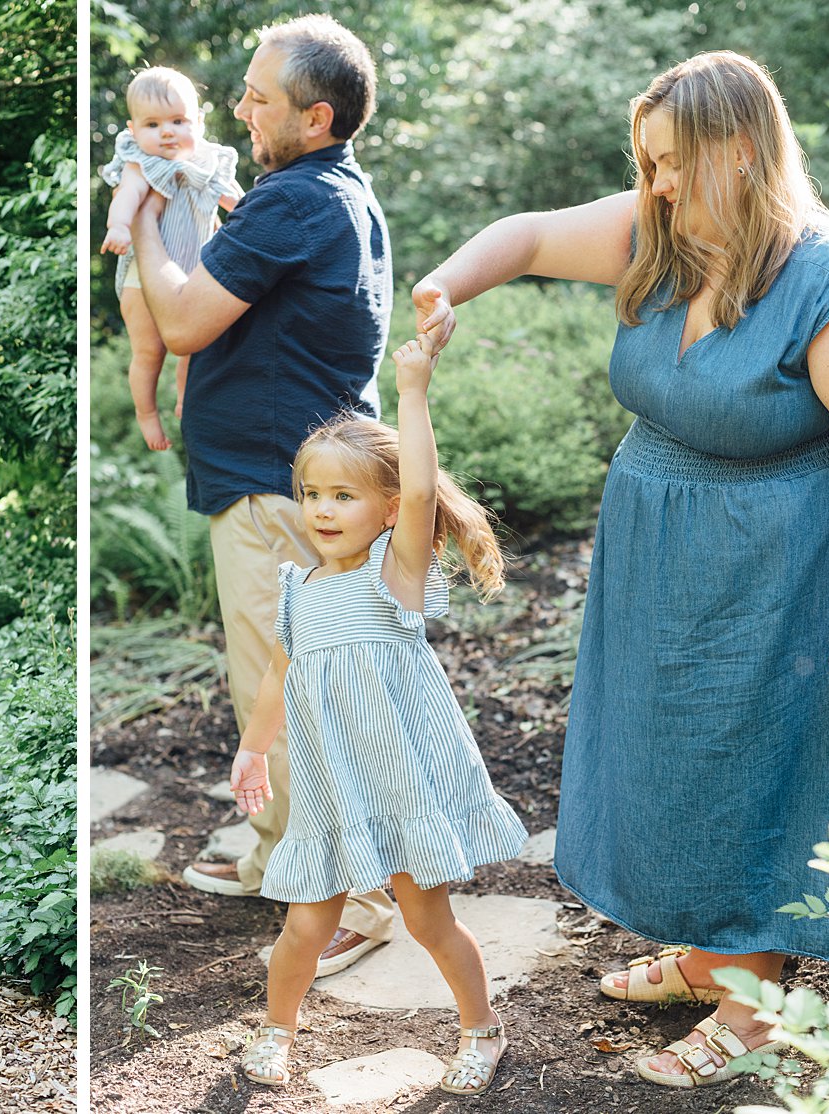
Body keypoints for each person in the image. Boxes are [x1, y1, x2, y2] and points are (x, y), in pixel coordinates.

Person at [413, 50, 829, 1088]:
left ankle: (755, 1006)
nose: (654, 183)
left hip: (771, 568)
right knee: (664, 750)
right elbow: (523, 236)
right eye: (645, 164)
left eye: (670, 162)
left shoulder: (817, 280)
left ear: (738, 149)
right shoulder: (660, 231)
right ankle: (705, 953)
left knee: (742, 761)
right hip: (659, 545)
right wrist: (442, 285)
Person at [128, 12, 395, 972]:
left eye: (259, 97)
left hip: (279, 487)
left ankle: (354, 900)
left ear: (315, 116)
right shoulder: (333, 193)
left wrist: (147, 218)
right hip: (292, 477)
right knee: (275, 684)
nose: (238, 109)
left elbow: (190, 316)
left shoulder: (295, 201)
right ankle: (289, 858)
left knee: (296, 694)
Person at [230, 337, 526, 1092]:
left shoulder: (391, 574)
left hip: (397, 783)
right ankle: (276, 1032)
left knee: (428, 919)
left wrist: (413, 388)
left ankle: (482, 1031)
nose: (322, 509)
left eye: (343, 495)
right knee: (306, 924)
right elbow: (277, 671)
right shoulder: (299, 588)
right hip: (334, 789)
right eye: (311, 494)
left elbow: (426, 493)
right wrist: (254, 749)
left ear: (388, 509)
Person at [100, 65, 242, 451]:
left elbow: (239, 204)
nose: (166, 132)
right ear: (132, 130)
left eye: (178, 121)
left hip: (195, 273)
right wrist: (119, 227)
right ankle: (147, 415)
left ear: (198, 121)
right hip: (141, 278)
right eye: (152, 124)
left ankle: (184, 399)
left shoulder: (209, 162)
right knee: (149, 351)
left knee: (196, 345)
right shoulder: (142, 163)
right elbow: (127, 195)